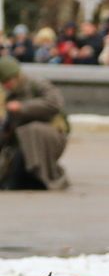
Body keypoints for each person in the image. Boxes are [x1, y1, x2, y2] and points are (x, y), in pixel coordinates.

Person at [0, 56, 70, 190]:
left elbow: (55, 103)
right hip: (22, 141)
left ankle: (41, 177)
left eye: (8, 81)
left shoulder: (37, 85)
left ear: (16, 76)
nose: (6, 85)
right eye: (3, 83)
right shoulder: (9, 95)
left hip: (50, 136)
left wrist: (22, 107)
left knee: (30, 131)